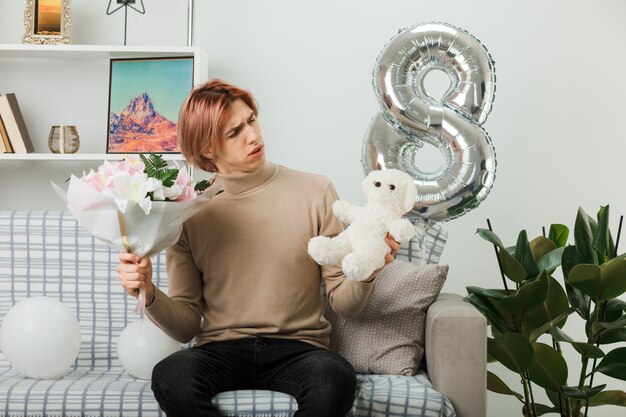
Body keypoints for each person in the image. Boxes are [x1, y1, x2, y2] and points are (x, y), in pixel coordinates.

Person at [116, 79, 400, 417]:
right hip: (220, 351)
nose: (253, 136)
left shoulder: (316, 191)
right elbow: (187, 323)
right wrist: (147, 291)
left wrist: (367, 269)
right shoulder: (188, 212)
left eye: (251, 120)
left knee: (334, 377)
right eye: (234, 132)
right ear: (208, 149)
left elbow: (343, 303)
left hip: (301, 350)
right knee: (170, 374)